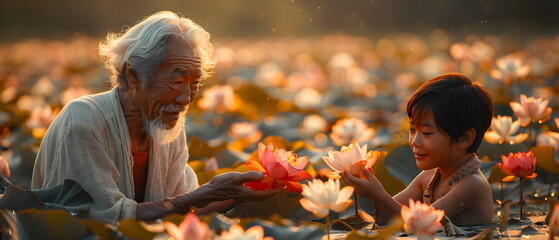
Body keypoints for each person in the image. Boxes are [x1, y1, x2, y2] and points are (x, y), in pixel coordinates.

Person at [31, 11, 279, 224]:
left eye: (195, 83)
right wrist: (206, 192)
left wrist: (240, 193)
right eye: (178, 80)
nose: (186, 98)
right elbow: (102, 220)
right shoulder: (83, 122)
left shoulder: (165, 125)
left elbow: (184, 208)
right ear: (133, 76)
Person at [341, 73, 494, 226]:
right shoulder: (427, 177)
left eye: (427, 133)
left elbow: (417, 223)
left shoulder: (473, 185)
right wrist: (373, 191)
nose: (415, 141)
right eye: (412, 130)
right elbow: (389, 220)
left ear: (464, 138)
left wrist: (379, 194)